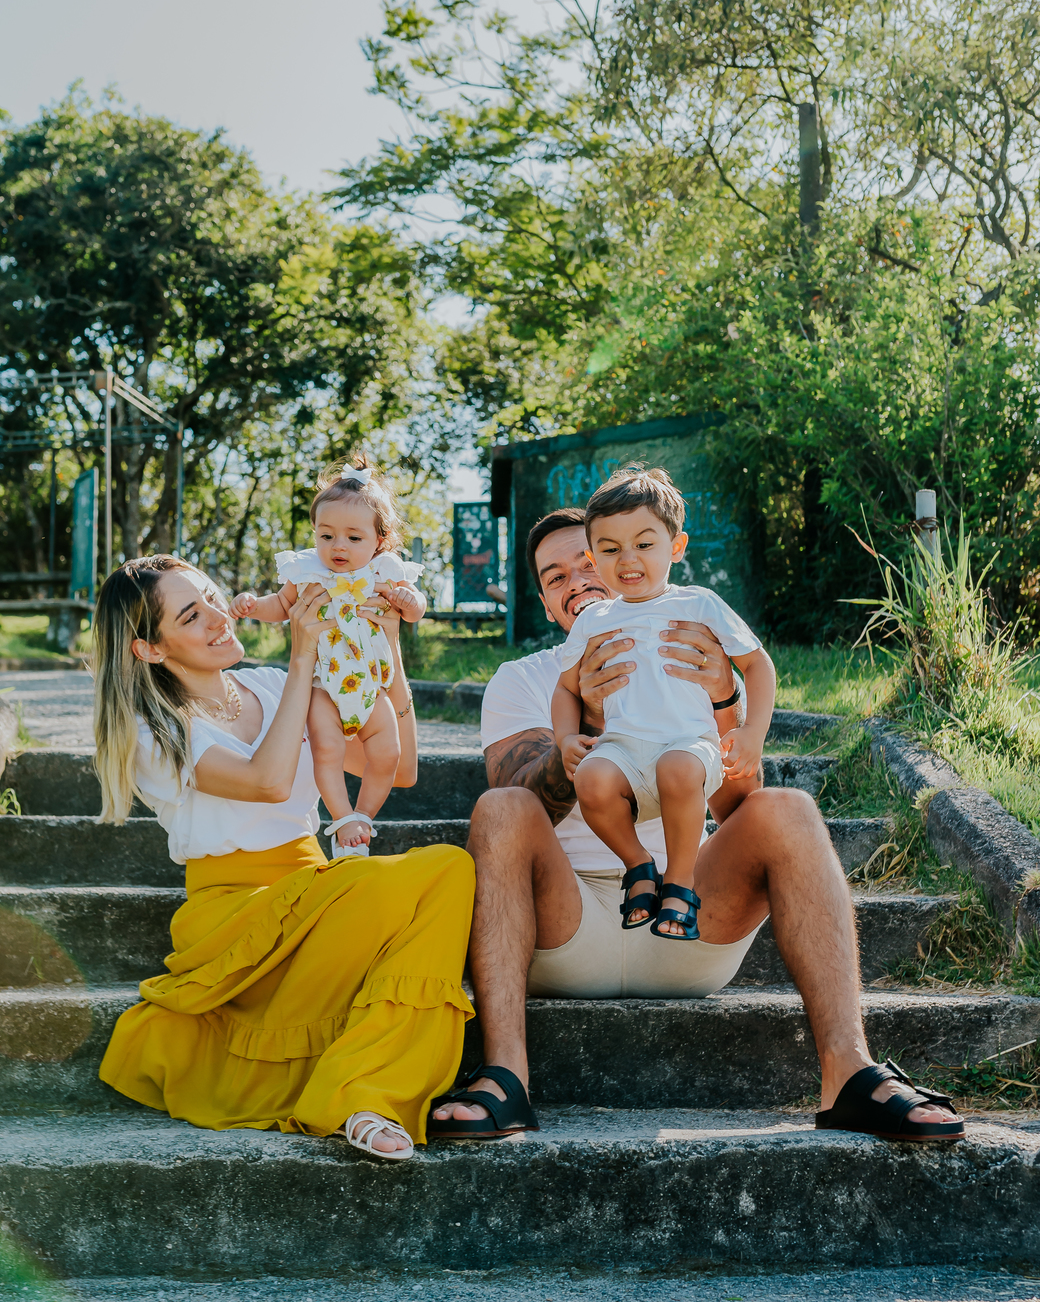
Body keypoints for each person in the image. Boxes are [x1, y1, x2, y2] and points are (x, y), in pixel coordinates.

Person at [428, 506, 963, 1146]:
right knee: (498, 808)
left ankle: (848, 1071)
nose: (579, 580)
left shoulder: (691, 640)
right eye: (555, 576)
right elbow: (518, 805)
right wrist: (593, 720)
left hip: (687, 921)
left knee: (788, 809)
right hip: (562, 929)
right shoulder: (523, 680)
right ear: (545, 603)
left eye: (587, 561)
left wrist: (724, 701)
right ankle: (505, 1077)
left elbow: (738, 809)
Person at [93, 553, 473, 1162]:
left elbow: (397, 768)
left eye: (212, 597)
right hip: (234, 917)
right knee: (434, 872)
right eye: (191, 616)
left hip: (313, 892)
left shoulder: (271, 687)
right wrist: (303, 659)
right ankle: (360, 1090)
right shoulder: (152, 730)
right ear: (150, 649)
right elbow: (267, 782)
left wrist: (389, 648)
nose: (218, 616)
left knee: (449, 870)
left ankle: (366, 1095)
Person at [553, 467, 775, 939]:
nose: (628, 559)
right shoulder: (594, 619)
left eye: (644, 544)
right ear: (593, 558)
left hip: (688, 745)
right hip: (623, 750)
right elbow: (567, 688)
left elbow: (758, 665)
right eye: (610, 549)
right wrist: (566, 737)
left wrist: (752, 731)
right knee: (591, 778)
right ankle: (639, 865)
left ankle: (680, 880)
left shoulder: (699, 604)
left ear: (676, 546)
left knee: (677, 767)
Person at [230, 456, 426, 857]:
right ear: (315, 533)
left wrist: (410, 602)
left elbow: (414, 606)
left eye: (354, 538)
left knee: (388, 752)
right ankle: (341, 816)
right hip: (324, 685)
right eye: (327, 535)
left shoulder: (385, 571)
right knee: (328, 750)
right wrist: (252, 605)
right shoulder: (306, 571)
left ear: (380, 540)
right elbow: (280, 605)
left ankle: (364, 815)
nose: (338, 546)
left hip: (371, 686)